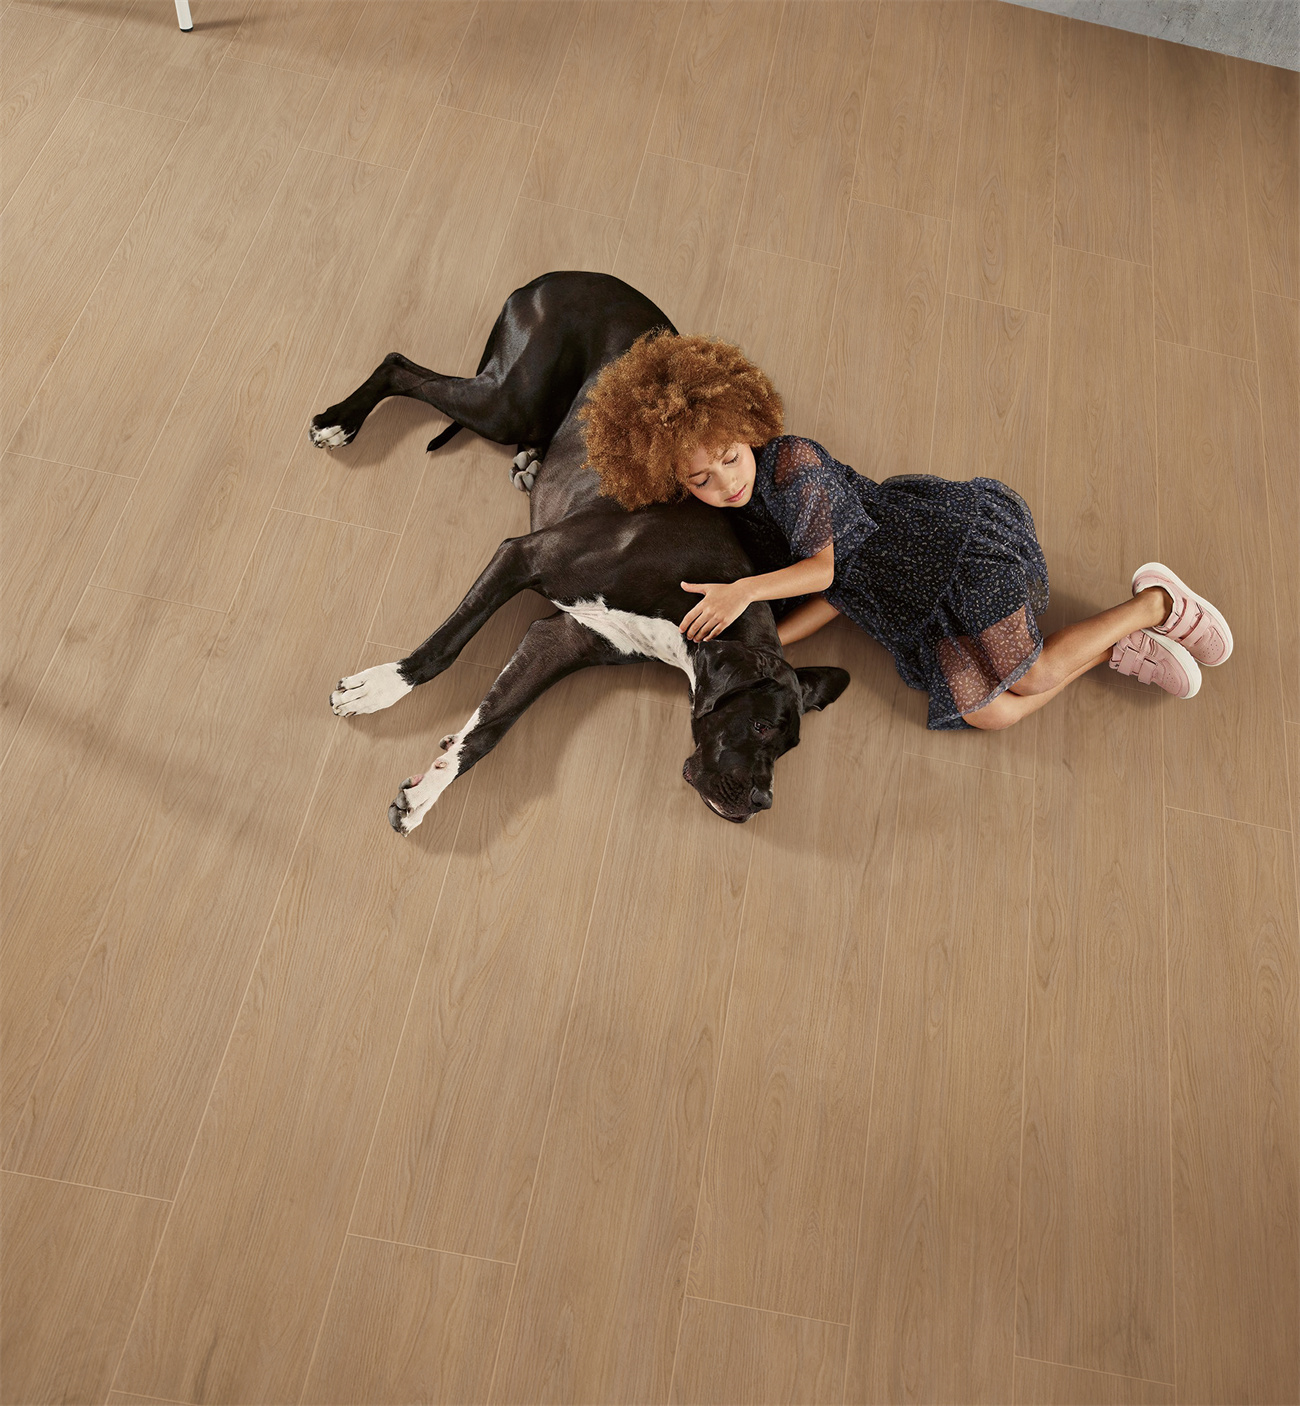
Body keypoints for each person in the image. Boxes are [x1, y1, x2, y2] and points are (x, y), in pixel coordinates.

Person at [579, 332, 1232, 731]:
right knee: (991, 714)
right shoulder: (738, 512)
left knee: (1030, 678)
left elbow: (825, 570)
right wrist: (767, 641)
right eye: (700, 480)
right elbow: (835, 593)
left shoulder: (794, 463)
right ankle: (1116, 646)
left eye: (730, 458)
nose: (725, 483)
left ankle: (1157, 603)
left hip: (948, 555)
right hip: (902, 605)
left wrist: (744, 593)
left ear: (748, 428)